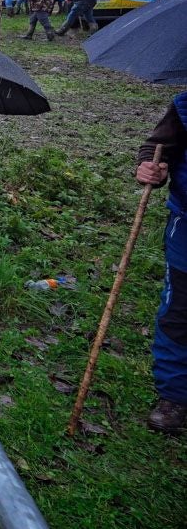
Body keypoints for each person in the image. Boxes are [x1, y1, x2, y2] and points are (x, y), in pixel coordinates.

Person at [134, 92, 187, 433]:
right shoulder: (184, 108)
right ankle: (175, 397)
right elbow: (157, 148)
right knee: (179, 310)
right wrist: (150, 167)